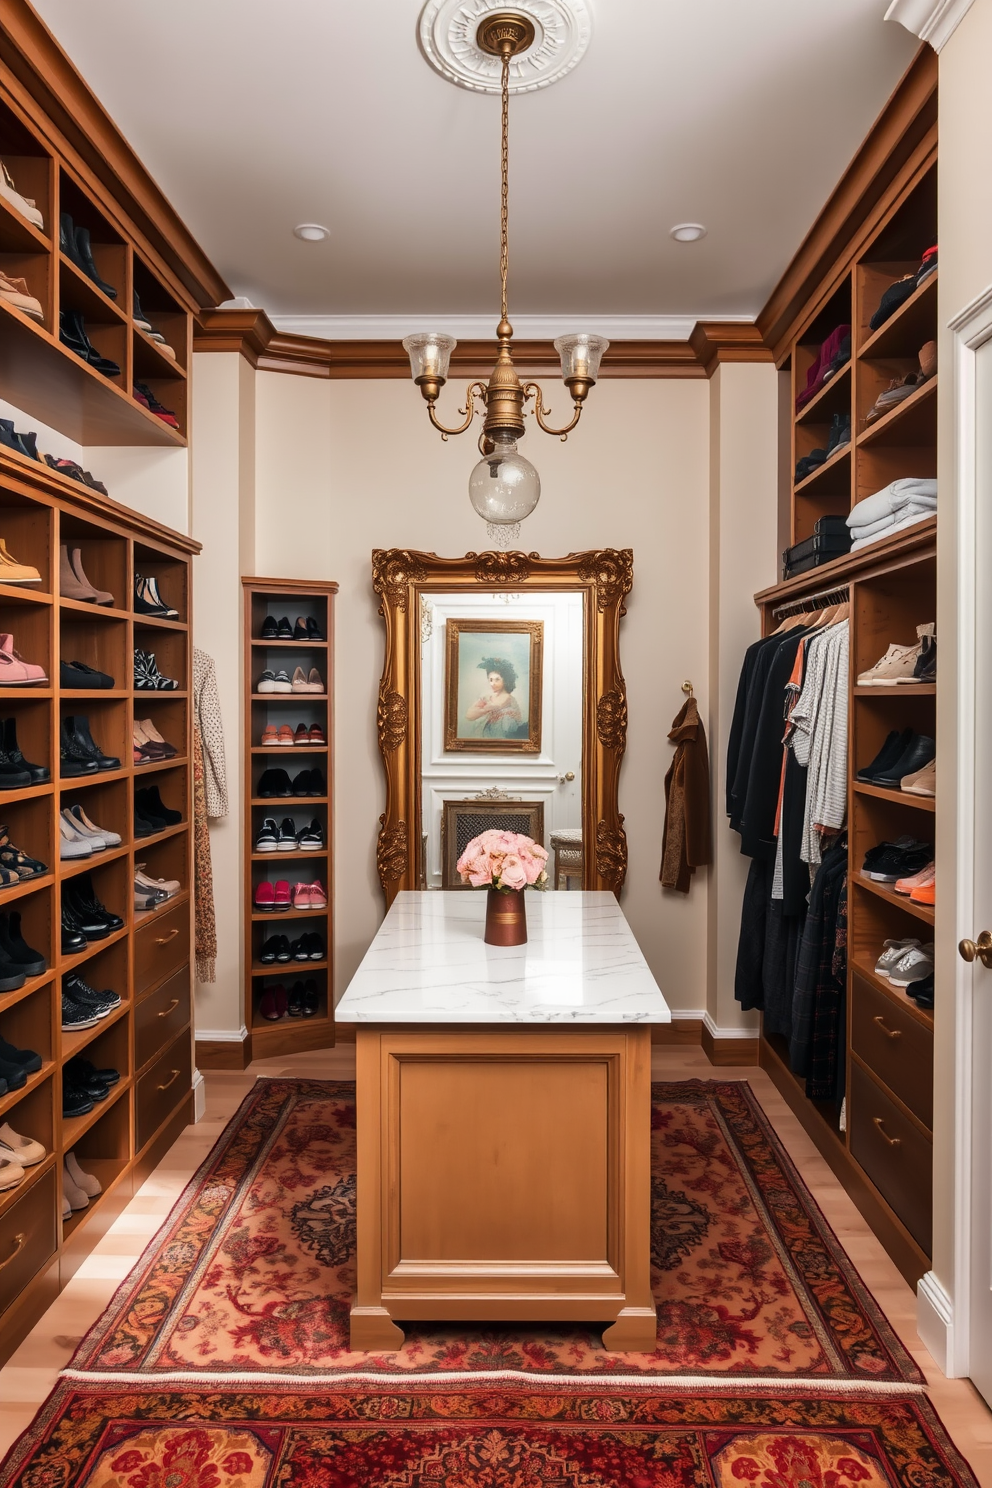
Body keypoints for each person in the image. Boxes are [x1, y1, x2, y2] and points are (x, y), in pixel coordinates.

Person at [464, 656, 523, 739]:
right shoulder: (487, 697)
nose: (493, 683)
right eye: (491, 680)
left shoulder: (508, 698)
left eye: (497, 680)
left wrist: (482, 709)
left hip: (502, 736)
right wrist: (483, 709)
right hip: (484, 734)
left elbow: (495, 707)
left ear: (505, 680)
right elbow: (469, 715)